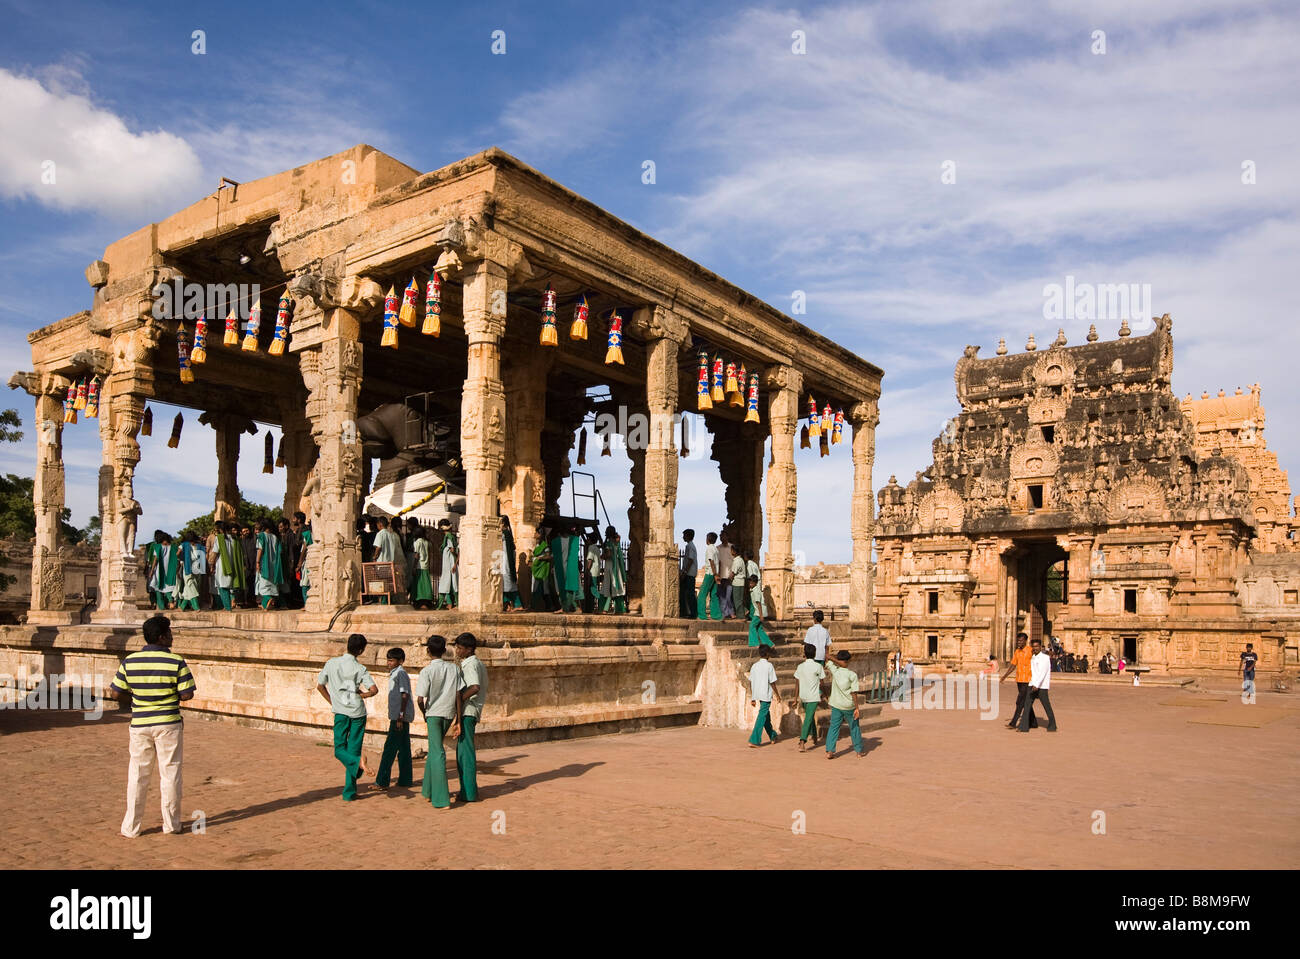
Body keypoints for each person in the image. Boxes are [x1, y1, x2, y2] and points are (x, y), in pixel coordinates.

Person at [109, 615, 196, 837]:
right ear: (161, 637)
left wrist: (138, 697)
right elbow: (187, 694)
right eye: (169, 633)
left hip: (140, 723)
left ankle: (131, 827)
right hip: (168, 723)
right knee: (170, 772)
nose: (172, 636)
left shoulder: (130, 661)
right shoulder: (176, 661)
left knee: (138, 774)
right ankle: (171, 824)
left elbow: (116, 692)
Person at [315, 633, 379, 800]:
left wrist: (332, 701)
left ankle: (356, 766)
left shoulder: (331, 663)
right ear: (360, 650)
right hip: (357, 712)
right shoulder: (360, 669)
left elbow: (320, 686)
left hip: (340, 712)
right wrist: (362, 696)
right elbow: (374, 690)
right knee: (353, 749)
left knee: (340, 750)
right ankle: (349, 792)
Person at [416, 635, 463, 810]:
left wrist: (424, 713)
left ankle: (441, 799)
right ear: (444, 651)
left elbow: (420, 699)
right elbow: (459, 694)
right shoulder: (454, 669)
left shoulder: (427, 671)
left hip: (433, 713)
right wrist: (457, 717)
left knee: (437, 753)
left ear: (428, 651)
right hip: (449, 712)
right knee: (435, 748)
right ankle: (428, 791)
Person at [375, 647, 415, 790]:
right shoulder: (395, 674)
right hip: (399, 716)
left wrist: (400, 716)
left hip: (399, 717)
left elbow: (404, 695)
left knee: (390, 748)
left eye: (392, 660)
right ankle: (405, 779)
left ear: (400, 661)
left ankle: (382, 781)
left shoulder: (400, 674)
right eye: (388, 660)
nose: (389, 663)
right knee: (404, 749)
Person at [453, 633, 487, 802]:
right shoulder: (477, 663)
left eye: (460, 648)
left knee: (465, 754)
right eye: (457, 647)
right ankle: (467, 790)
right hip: (469, 711)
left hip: (468, 711)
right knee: (463, 752)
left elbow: (475, 687)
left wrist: (459, 699)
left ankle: (469, 792)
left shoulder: (470, 665)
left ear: (469, 649)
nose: (457, 651)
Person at [825, 649, 866, 759]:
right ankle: (858, 751)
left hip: (836, 705)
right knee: (854, 728)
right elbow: (854, 693)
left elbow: (827, 658)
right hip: (849, 706)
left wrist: (834, 659)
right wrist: (857, 708)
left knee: (834, 727)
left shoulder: (835, 671)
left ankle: (830, 750)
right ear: (848, 661)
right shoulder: (852, 675)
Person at [1018, 638, 1057, 732]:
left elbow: (1042, 672)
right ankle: (1023, 727)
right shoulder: (1033, 657)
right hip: (1032, 684)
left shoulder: (1045, 658)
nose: (1035, 648)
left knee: (1046, 706)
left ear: (1040, 647)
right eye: (1033, 646)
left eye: (1036, 646)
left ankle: (1052, 725)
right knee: (1027, 705)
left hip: (1041, 686)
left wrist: (1037, 684)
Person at [793, 643, 826, 752]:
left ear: (804, 654)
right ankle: (803, 741)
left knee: (809, 716)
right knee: (809, 717)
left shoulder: (800, 666)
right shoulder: (818, 666)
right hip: (813, 696)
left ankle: (814, 736)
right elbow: (822, 682)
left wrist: (795, 698)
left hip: (804, 696)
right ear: (815, 654)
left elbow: (796, 683)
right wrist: (825, 694)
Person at [1000, 633, 1037, 729]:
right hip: (1019, 680)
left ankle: (1013, 723)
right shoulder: (1017, 651)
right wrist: (1005, 676)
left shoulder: (1030, 651)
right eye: (1018, 640)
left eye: (1021, 640)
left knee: (1019, 701)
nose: (1019, 642)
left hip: (1028, 680)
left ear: (1025, 641)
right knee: (1025, 701)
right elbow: (1013, 665)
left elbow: (1037, 663)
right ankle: (1033, 722)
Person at [746, 645, 778, 747]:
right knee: (762, 716)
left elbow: (751, 682)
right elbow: (772, 682)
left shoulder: (754, 666)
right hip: (766, 694)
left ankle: (772, 735)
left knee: (765, 716)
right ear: (767, 654)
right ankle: (754, 739)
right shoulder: (769, 666)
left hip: (758, 693)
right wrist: (777, 694)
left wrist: (753, 697)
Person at [208, 521, 243, 611]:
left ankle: (228, 608)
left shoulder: (219, 538)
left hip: (222, 567)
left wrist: (211, 565)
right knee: (229, 587)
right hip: (234, 566)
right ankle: (229, 605)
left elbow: (214, 553)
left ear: (219, 529)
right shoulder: (235, 539)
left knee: (223, 587)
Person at [372, 516, 403, 605]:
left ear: (380, 524)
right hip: (390, 563)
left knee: (382, 582)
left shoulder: (380, 534)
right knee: (388, 582)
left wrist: (375, 556)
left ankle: (384, 601)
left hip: (382, 563)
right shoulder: (391, 534)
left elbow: (378, 547)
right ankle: (388, 599)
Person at [550, 524, 581, 612]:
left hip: (560, 567)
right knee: (570, 588)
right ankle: (570, 606)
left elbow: (554, 556)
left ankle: (565, 607)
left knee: (560, 588)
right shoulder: (574, 541)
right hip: (570, 567)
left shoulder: (556, 542)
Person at [254, 519, 284, 610]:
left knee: (262, 585)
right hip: (274, 564)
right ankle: (266, 605)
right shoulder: (275, 537)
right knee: (272, 584)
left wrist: (257, 562)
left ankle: (268, 599)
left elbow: (260, 550)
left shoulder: (261, 536)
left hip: (265, 564)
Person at [147, 532, 179, 610]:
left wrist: (151, 571)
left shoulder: (158, 547)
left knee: (158, 588)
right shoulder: (174, 547)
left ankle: (161, 607)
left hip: (159, 570)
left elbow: (155, 560)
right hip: (170, 570)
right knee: (169, 586)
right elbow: (177, 560)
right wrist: (177, 570)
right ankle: (171, 601)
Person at [600, 526, 627, 614]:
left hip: (609, 566)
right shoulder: (616, 543)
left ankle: (604, 609)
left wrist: (602, 556)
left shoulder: (608, 544)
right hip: (617, 567)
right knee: (615, 587)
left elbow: (608, 554)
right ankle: (619, 609)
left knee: (608, 587)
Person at [177, 531, 206, 611]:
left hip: (192, 568)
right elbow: (178, 554)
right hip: (193, 568)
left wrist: (182, 558)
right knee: (191, 585)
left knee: (190, 587)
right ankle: (194, 606)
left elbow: (178, 554)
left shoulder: (185, 545)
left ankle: (184, 606)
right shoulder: (197, 546)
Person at [696, 532, 722, 620]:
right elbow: (719, 563)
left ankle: (702, 615)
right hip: (715, 574)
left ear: (708, 539)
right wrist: (717, 575)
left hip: (710, 574)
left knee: (702, 595)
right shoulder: (716, 549)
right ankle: (716, 615)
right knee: (714, 595)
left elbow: (711, 562)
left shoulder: (709, 549)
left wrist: (714, 574)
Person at [409, 523, 434, 609]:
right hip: (425, 565)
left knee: (419, 585)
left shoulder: (417, 542)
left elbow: (416, 555)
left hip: (419, 566)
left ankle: (420, 601)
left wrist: (414, 567)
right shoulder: (427, 542)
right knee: (425, 584)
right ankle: (426, 601)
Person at [530, 527, 555, 612]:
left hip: (543, 569)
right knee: (535, 587)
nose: (534, 534)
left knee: (544, 588)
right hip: (537, 569)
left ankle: (549, 606)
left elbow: (549, 556)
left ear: (540, 534)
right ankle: (534, 606)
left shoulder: (545, 545)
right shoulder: (537, 545)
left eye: (536, 533)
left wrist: (540, 558)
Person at [435, 519, 459, 609]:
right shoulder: (450, 536)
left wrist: (456, 560)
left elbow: (452, 549)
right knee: (451, 581)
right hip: (449, 562)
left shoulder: (448, 536)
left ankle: (450, 603)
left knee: (448, 581)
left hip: (450, 562)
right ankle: (451, 603)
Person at [501, 516, 523, 611]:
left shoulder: (506, 533)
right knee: (504, 584)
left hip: (506, 563)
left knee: (509, 584)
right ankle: (507, 604)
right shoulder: (505, 533)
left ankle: (517, 604)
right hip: (503, 561)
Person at [746, 575, 773, 647]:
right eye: (749, 583)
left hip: (759, 613)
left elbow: (758, 603)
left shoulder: (756, 590)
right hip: (758, 612)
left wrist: (760, 615)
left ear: (755, 583)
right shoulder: (754, 590)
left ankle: (755, 643)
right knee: (759, 628)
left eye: (751, 583)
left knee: (752, 626)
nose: (750, 584)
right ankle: (769, 644)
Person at [679, 529, 698, 618]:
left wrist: (685, 572)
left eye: (684, 535)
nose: (683, 537)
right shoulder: (691, 546)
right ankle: (685, 611)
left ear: (688, 536)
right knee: (684, 592)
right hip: (689, 573)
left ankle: (693, 613)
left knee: (690, 593)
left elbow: (690, 560)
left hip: (689, 573)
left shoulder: (690, 546)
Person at [717, 531, 735, 619]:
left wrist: (732, 573)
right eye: (721, 536)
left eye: (724, 536)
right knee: (722, 596)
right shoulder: (718, 548)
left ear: (727, 537)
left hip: (729, 576)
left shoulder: (731, 547)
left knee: (728, 596)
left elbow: (734, 561)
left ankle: (731, 612)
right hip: (721, 575)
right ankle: (724, 613)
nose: (722, 538)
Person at [239, 524, 258, 607]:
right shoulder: (242, 541)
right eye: (243, 531)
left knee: (254, 584)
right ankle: (247, 602)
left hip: (255, 565)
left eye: (247, 531)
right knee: (247, 585)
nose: (245, 533)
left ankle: (254, 601)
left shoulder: (254, 539)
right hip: (246, 567)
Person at [297, 515, 313, 604]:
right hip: (314, 560)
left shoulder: (307, 535)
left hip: (308, 561)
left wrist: (299, 563)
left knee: (304, 584)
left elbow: (303, 550)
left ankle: (306, 603)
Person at [728, 546, 747, 621]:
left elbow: (733, 573)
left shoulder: (737, 561)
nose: (731, 552)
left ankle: (741, 616)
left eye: (731, 550)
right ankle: (744, 611)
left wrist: (729, 579)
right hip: (740, 582)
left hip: (737, 582)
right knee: (738, 599)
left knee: (737, 600)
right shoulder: (740, 560)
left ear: (734, 551)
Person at [744, 548, 762, 617]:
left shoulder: (748, 564)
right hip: (757, 583)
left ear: (746, 556)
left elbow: (750, 576)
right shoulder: (755, 564)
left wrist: (749, 585)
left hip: (753, 584)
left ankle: (752, 615)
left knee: (752, 601)